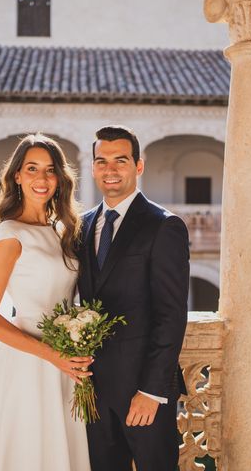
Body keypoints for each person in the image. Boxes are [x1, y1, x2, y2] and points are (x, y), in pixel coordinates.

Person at [0, 134, 92, 471]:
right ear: (17, 175)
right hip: (31, 363)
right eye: (32, 169)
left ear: (60, 177)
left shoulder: (63, 228)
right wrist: (53, 355)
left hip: (65, 360)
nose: (41, 179)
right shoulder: (9, 234)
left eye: (49, 170)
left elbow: (41, 287)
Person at [79, 124, 189, 471]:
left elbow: (171, 316)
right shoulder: (81, 226)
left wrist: (152, 391)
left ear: (138, 166)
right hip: (93, 395)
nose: (110, 170)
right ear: (93, 167)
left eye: (120, 160)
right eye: (101, 161)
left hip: (144, 394)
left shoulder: (164, 226)